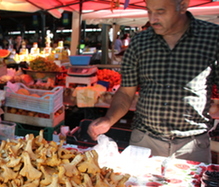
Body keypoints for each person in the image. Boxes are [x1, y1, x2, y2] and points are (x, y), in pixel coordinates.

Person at [88, 0, 219, 163]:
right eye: (149, 11)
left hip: (192, 144)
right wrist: (109, 119)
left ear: (183, 6)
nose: (153, 18)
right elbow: (126, 91)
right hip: (145, 141)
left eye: (160, 11)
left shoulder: (213, 38)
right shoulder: (139, 42)